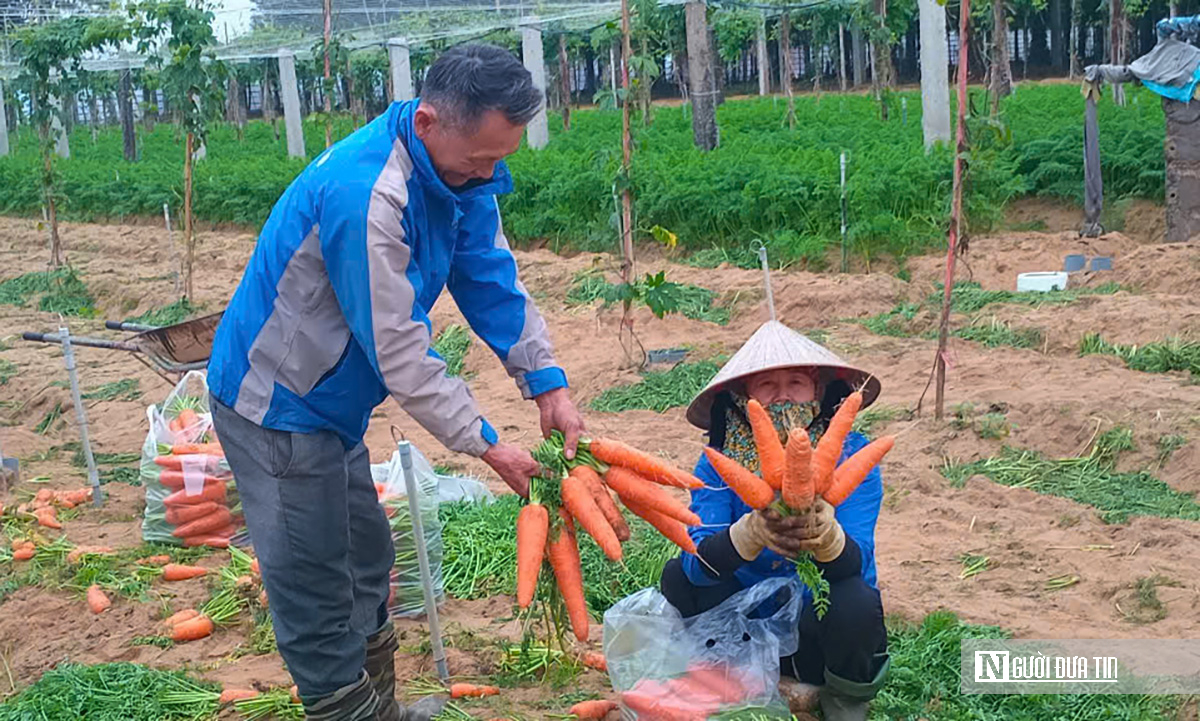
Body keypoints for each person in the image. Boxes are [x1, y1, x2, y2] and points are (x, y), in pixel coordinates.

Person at [206, 44, 585, 721]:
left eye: (502, 158)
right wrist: (489, 444)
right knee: (314, 574)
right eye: (481, 157)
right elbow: (400, 351)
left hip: (332, 400)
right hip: (279, 403)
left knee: (365, 555)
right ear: (432, 120)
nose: (490, 172)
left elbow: (489, 275)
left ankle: (377, 709)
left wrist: (547, 381)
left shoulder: (459, 177)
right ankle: (346, 711)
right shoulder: (368, 196)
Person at [659, 321, 890, 721]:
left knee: (855, 600)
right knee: (677, 576)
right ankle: (733, 679)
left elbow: (859, 563)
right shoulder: (717, 465)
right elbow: (698, 564)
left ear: (819, 391)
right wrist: (749, 534)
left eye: (797, 382)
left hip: (814, 628)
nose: (783, 397)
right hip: (748, 623)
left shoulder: (854, 457)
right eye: (766, 385)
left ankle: (844, 701)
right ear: (743, 397)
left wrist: (827, 536)